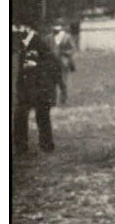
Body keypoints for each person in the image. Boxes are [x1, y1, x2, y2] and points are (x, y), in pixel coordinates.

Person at [13, 22, 61, 154]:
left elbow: (53, 64)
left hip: (40, 87)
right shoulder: (21, 43)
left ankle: (46, 145)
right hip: (25, 87)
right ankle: (21, 147)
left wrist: (38, 67)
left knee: (42, 115)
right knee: (20, 115)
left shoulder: (38, 42)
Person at [52, 18, 76, 105]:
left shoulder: (67, 37)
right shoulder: (50, 37)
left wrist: (64, 52)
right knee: (52, 81)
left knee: (63, 81)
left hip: (63, 61)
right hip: (52, 61)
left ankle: (63, 99)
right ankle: (53, 100)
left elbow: (72, 49)